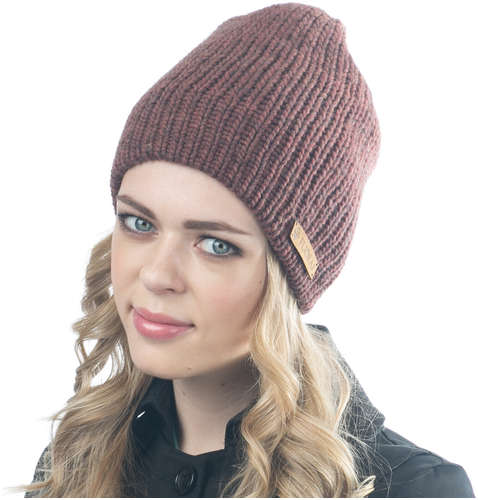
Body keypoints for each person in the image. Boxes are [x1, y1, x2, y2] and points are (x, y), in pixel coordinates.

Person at [19, 2, 474, 497]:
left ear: (291, 276)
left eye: (216, 245)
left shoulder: (410, 489)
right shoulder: (77, 461)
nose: (156, 275)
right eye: (139, 223)